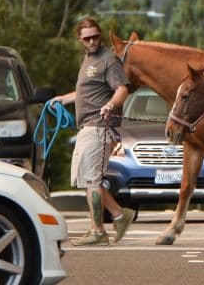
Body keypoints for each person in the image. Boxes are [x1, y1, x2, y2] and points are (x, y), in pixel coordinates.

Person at [65, 18, 136, 246]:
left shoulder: (108, 60)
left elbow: (122, 89)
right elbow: (88, 92)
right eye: (87, 38)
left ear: (100, 35)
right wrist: (61, 99)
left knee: (92, 179)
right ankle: (119, 214)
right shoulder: (88, 60)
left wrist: (110, 105)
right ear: (81, 40)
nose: (92, 41)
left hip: (100, 126)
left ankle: (98, 231)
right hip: (87, 126)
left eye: (96, 36)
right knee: (87, 178)